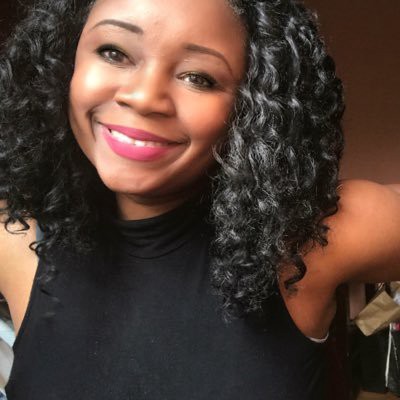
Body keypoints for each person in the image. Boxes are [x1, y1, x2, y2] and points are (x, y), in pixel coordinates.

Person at [0, 0, 399, 399]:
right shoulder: (14, 235)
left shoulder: (305, 240)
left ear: (251, 104)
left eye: (199, 78)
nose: (144, 97)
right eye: (114, 53)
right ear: (65, 59)